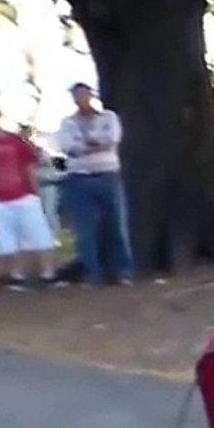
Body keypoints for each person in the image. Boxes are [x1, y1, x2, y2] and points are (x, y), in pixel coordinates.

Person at [0, 100, 60, 290]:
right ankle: (17, 274)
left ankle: (48, 271)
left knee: (38, 232)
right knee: (5, 237)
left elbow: (28, 166)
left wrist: (34, 191)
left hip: (22, 193)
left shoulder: (14, 140)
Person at [55, 82, 134, 287]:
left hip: (108, 174)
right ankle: (92, 272)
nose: (81, 98)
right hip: (80, 177)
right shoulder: (68, 123)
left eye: (84, 94)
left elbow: (112, 139)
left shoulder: (108, 117)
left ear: (91, 95)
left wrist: (88, 145)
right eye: (76, 95)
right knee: (84, 228)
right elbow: (67, 147)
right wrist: (95, 145)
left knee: (116, 223)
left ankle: (121, 270)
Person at [21, 124, 64, 243]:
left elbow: (45, 161)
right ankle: (37, 237)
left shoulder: (39, 148)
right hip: (33, 185)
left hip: (48, 183)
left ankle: (53, 236)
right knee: (36, 213)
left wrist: (34, 152)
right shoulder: (20, 149)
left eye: (27, 133)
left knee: (50, 211)